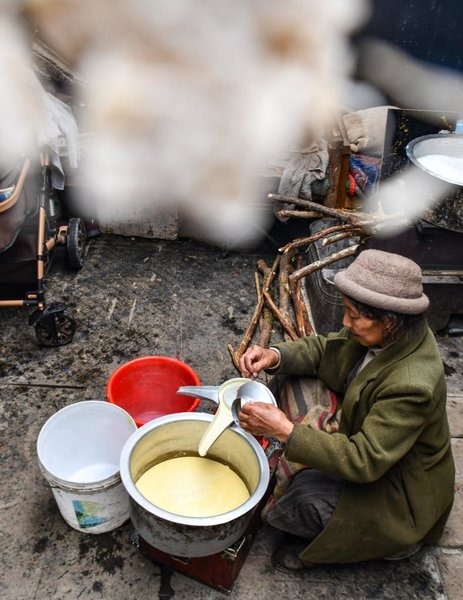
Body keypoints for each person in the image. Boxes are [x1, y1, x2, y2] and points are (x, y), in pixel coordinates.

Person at [238, 249, 455, 573]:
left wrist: (285, 430)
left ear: (391, 322)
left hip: (396, 491)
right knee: (290, 375)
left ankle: (389, 543)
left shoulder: (412, 385)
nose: (345, 321)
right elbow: (326, 348)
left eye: (354, 315)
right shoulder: (386, 334)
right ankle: (305, 444)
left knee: (301, 500)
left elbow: (363, 461)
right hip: (367, 435)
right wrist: (274, 355)